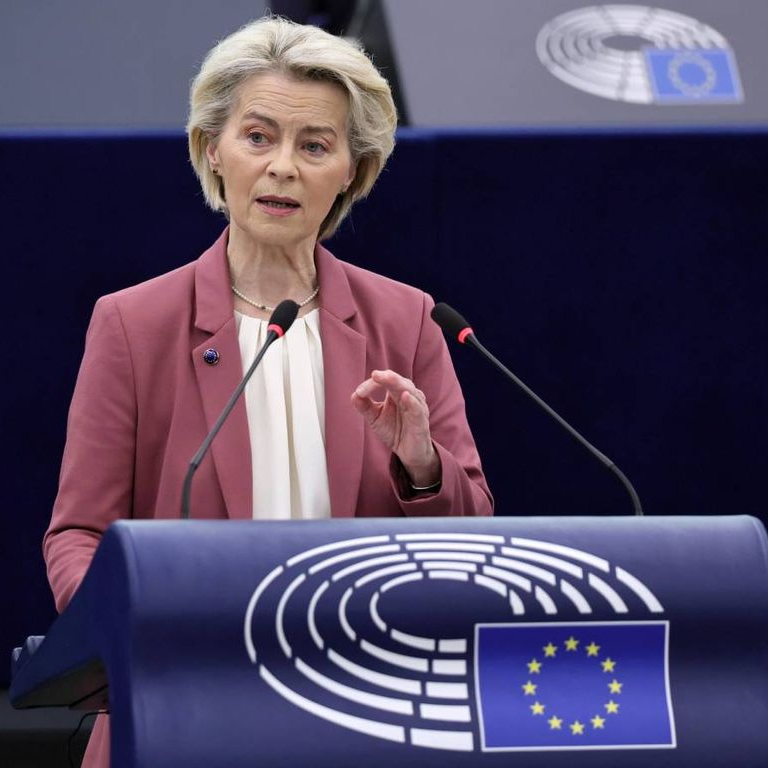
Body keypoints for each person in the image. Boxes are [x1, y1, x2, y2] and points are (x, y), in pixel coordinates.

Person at [43, 16, 493, 767]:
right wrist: (127, 632)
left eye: (314, 146)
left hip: (365, 711)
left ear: (352, 170)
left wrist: (423, 467)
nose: (282, 167)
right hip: (181, 708)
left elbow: (473, 537)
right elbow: (79, 535)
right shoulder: (133, 324)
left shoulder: (407, 321)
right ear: (211, 150)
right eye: (258, 137)